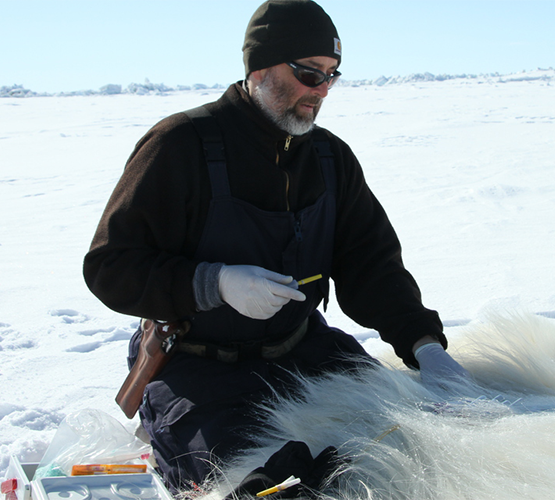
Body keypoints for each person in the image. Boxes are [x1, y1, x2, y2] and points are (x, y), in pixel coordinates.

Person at [83, 0, 469, 493]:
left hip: (304, 349)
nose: (323, 90)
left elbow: (372, 266)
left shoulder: (331, 159)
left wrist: (424, 345)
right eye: (310, 73)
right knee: (271, 485)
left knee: (411, 448)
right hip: (199, 368)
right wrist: (213, 283)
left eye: (332, 75)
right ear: (260, 67)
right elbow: (111, 266)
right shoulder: (180, 146)